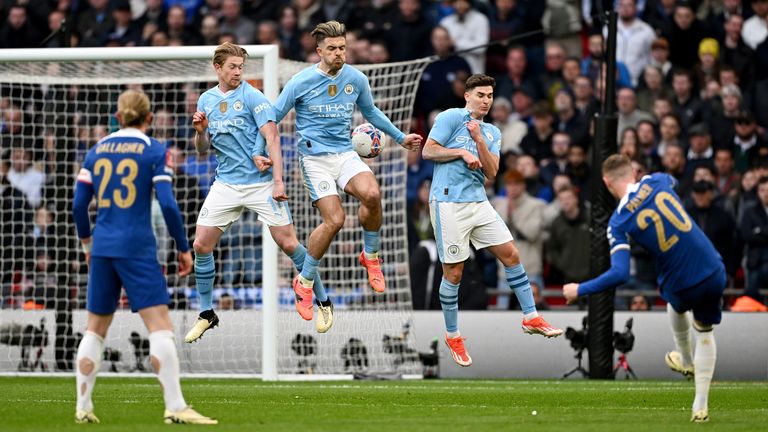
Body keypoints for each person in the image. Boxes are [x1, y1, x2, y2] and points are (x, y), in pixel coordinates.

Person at [71, 90, 216, 424]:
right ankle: (176, 406)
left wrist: (88, 247)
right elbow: (166, 203)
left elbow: (79, 205)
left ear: (118, 117)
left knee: (95, 329)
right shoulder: (153, 150)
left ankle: (83, 406)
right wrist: (183, 246)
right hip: (136, 248)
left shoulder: (96, 150)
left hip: (103, 247)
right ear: (149, 118)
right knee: (160, 327)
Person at [188, 42, 334, 342]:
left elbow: (273, 138)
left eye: (241, 66)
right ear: (218, 68)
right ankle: (206, 313)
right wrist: (200, 132)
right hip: (226, 183)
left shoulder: (253, 96)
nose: (238, 72)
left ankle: (323, 302)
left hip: (260, 184)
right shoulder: (207, 99)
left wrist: (278, 181)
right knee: (201, 244)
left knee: (290, 244)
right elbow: (202, 150)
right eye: (232, 67)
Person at [563, 155, 725, 423]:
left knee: (675, 301)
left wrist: (580, 289)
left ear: (606, 182)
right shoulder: (657, 180)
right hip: (714, 268)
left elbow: (620, 273)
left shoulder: (618, 221)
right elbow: (672, 181)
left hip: (682, 281)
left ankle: (685, 360)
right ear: (634, 172)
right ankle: (700, 406)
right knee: (705, 331)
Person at [272, 21, 422, 309]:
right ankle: (304, 281)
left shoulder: (356, 78)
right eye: (332, 49)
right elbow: (274, 118)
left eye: (342, 48)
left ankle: (371, 255)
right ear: (319, 51)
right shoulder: (299, 82)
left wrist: (400, 137)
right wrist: (259, 152)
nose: (339, 53)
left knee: (373, 194)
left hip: (345, 154)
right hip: (314, 160)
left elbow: (371, 112)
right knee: (336, 220)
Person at [422, 74, 562, 368]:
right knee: (454, 273)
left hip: (477, 200)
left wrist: (477, 141)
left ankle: (530, 316)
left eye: (489, 96)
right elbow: (428, 150)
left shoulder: (492, 132)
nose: (486, 100)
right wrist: (460, 151)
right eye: (481, 95)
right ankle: (453, 334)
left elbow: (492, 171)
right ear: (467, 96)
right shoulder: (450, 118)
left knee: (511, 253)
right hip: (447, 202)